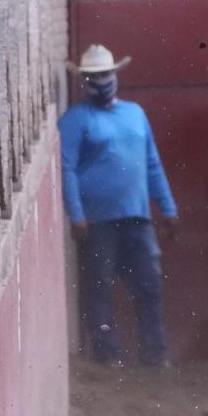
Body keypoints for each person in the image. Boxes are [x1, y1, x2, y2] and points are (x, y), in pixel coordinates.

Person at [59, 43, 177, 368]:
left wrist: (167, 207)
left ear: (115, 75)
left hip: (136, 215)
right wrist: (77, 213)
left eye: (105, 74)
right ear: (84, 80)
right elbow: (66, 167)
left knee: (148, 285)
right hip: (97, 220)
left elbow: (152, 162)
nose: (101, 81)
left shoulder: (135, 113)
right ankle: (106, 355)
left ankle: (154, 354)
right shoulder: (75, 119)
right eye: (94, 76)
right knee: (99, 286)